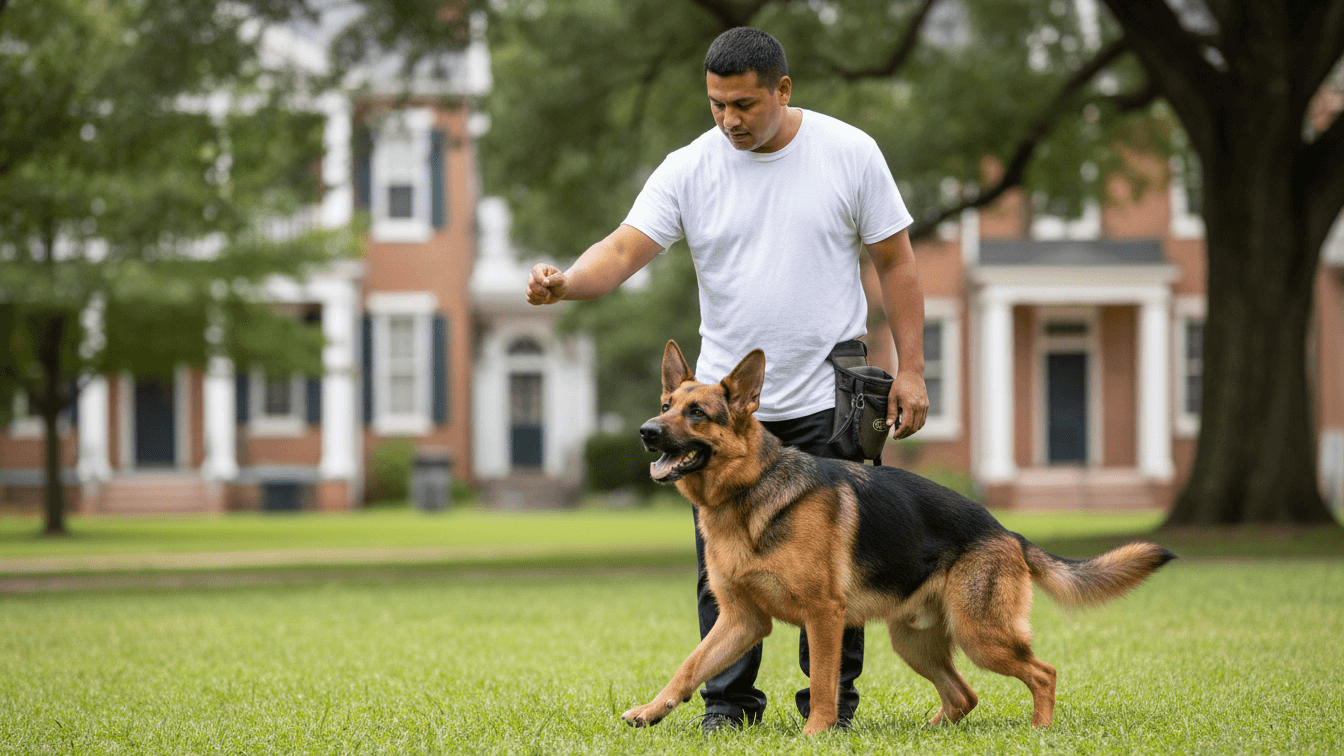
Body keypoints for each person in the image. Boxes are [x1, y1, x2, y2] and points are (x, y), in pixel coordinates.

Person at [526, 26, 928, 733]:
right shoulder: (689, 168)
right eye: (716, 105)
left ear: (783, 89)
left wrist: (914, 369)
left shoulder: (849, 152)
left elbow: (896, 262)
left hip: (832, 393)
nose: (729, 120)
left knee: (830, 568)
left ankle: (829, 709)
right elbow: (622, 250)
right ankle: (728, 707)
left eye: (744, 104)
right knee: (726, 567)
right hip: (726, 411)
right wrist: (567, 283)